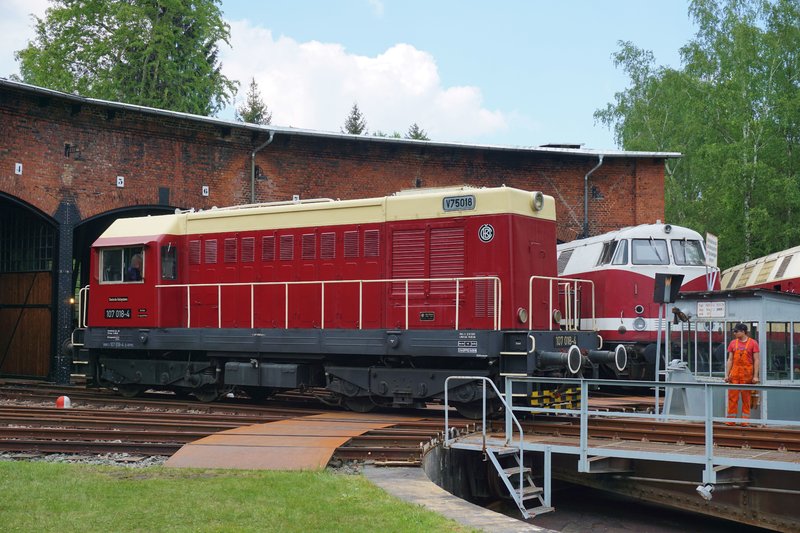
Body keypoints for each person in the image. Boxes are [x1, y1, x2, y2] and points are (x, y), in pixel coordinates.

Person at [724, 323, 759, 426]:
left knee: (746, 399)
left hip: (747, 376)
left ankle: (745, 421)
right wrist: (727, 374)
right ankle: (731, 420)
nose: (734, 333)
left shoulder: (753, 343)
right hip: (734, 375)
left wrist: (755, 376)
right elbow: (730, 360)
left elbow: (756, 360)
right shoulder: (732, 343)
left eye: (736, 331)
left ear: (743, 331)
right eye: (734, 331)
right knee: (732, 399)